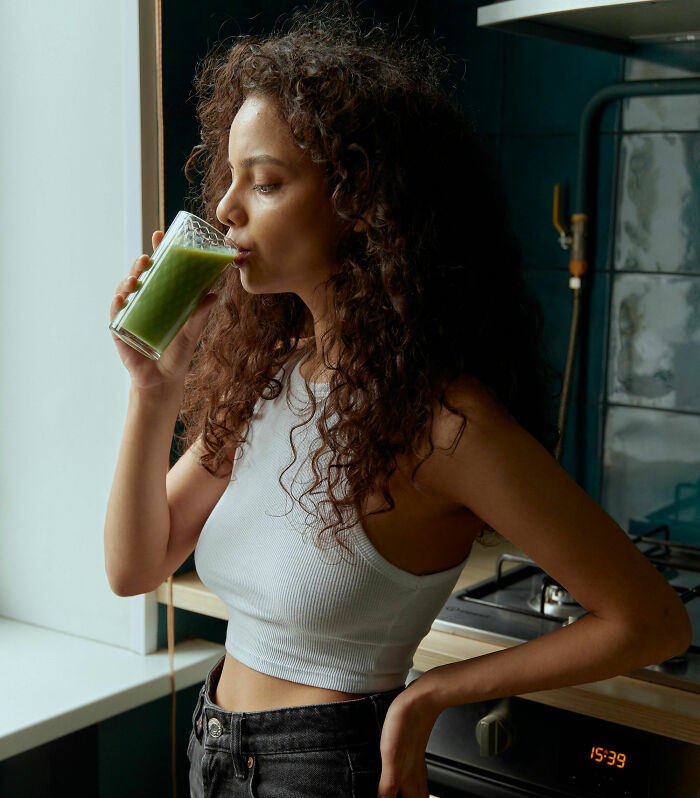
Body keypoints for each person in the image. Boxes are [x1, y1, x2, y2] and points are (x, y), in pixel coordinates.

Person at [104, 2, 692, 796]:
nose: (227, 210)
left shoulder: (446, 425)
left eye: (266, 181)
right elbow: (134, 565)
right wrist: (153, 390)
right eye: (231, 178)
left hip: (325, 768)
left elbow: (651, 620)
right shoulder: (272, 374)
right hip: (211, 744)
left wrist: (430, 696)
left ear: (359, 197)